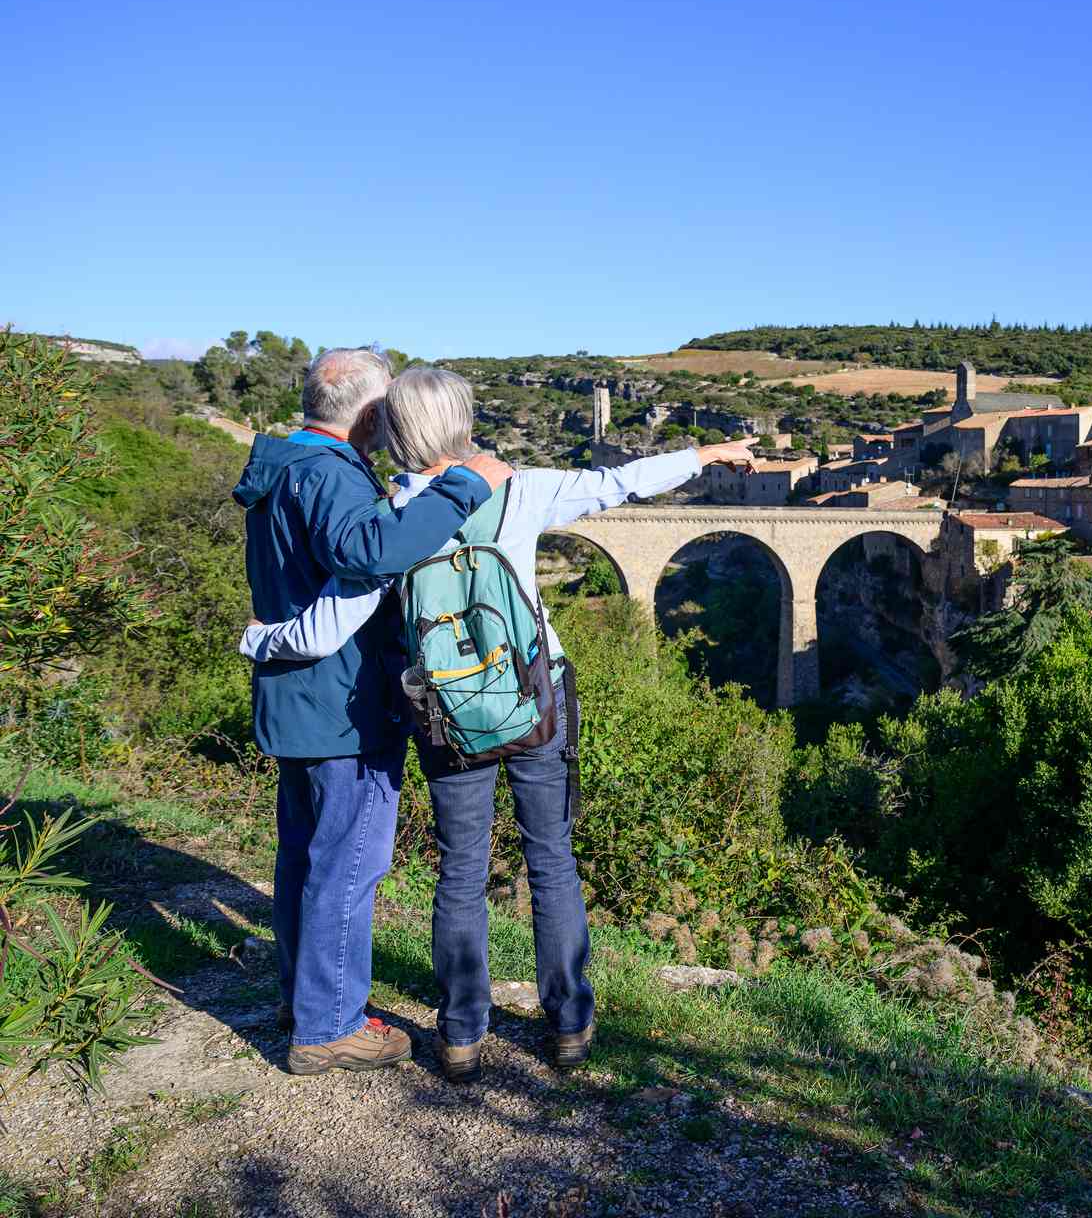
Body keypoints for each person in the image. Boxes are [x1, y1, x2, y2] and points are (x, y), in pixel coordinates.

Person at [242, 366, 753, 1081]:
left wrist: (266, 639)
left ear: (395, 432)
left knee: (460, 873)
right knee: (551, 860)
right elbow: (619, 483)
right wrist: (703, 456)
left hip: (448, 713)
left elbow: (347, 613)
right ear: (463, 421)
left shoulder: (395, 513)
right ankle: (570, 1023)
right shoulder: (519, 488)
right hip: (535, 699)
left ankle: (460, 1035)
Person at [233, 348, 514, 1075]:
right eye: (389, 406)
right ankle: (329, 1028)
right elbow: (368, 551)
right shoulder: (327, 472)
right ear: (366, 411)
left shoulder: (288, 464)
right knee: (347, 865)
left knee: (304, 858)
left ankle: (305, 1002)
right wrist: (459, 488)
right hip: (340, 706)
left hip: (300, 697)